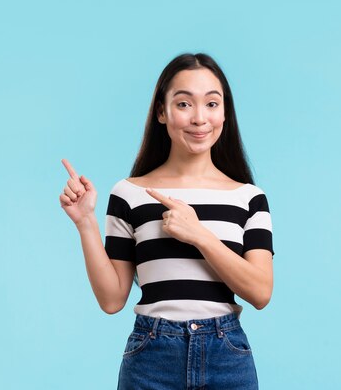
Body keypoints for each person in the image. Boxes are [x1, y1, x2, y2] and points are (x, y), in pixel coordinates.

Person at [59, 52, 273, 390]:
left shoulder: (248, 197)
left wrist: (199, 235)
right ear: (162, 111)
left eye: (212, 104)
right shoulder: (129, 193)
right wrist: (85, 221)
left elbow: (260, 292)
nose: (200, 118)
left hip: (227, 356)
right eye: (184, 104)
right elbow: (112, 299)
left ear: (225, 112)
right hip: (152, 357)